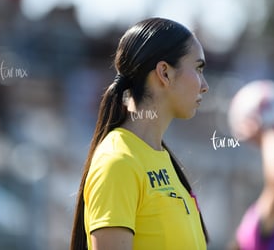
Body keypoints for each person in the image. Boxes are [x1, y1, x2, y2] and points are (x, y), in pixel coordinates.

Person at [70, 17, 210, 250]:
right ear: (165, 73)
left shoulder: (161, 158)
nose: (204, 85)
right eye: (198, 68)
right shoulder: (119, 162)